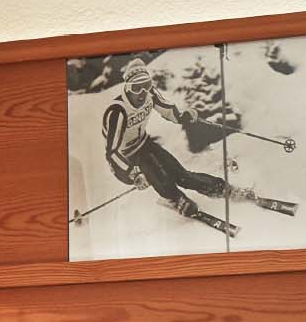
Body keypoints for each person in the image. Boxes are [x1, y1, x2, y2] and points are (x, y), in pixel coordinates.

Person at [100, 56, 273, 238]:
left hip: (144, 143)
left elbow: (168, 110)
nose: (142, 92)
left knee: (181, 175)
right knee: (156, 172)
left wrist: (184, 117)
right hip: (124, 160)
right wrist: (133, 174)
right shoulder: (117, 111)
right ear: (127, 88)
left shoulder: (150, 95)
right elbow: (112, 153)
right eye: (136, 87)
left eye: (147, 85)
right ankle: (176, 199)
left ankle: (221, 188)